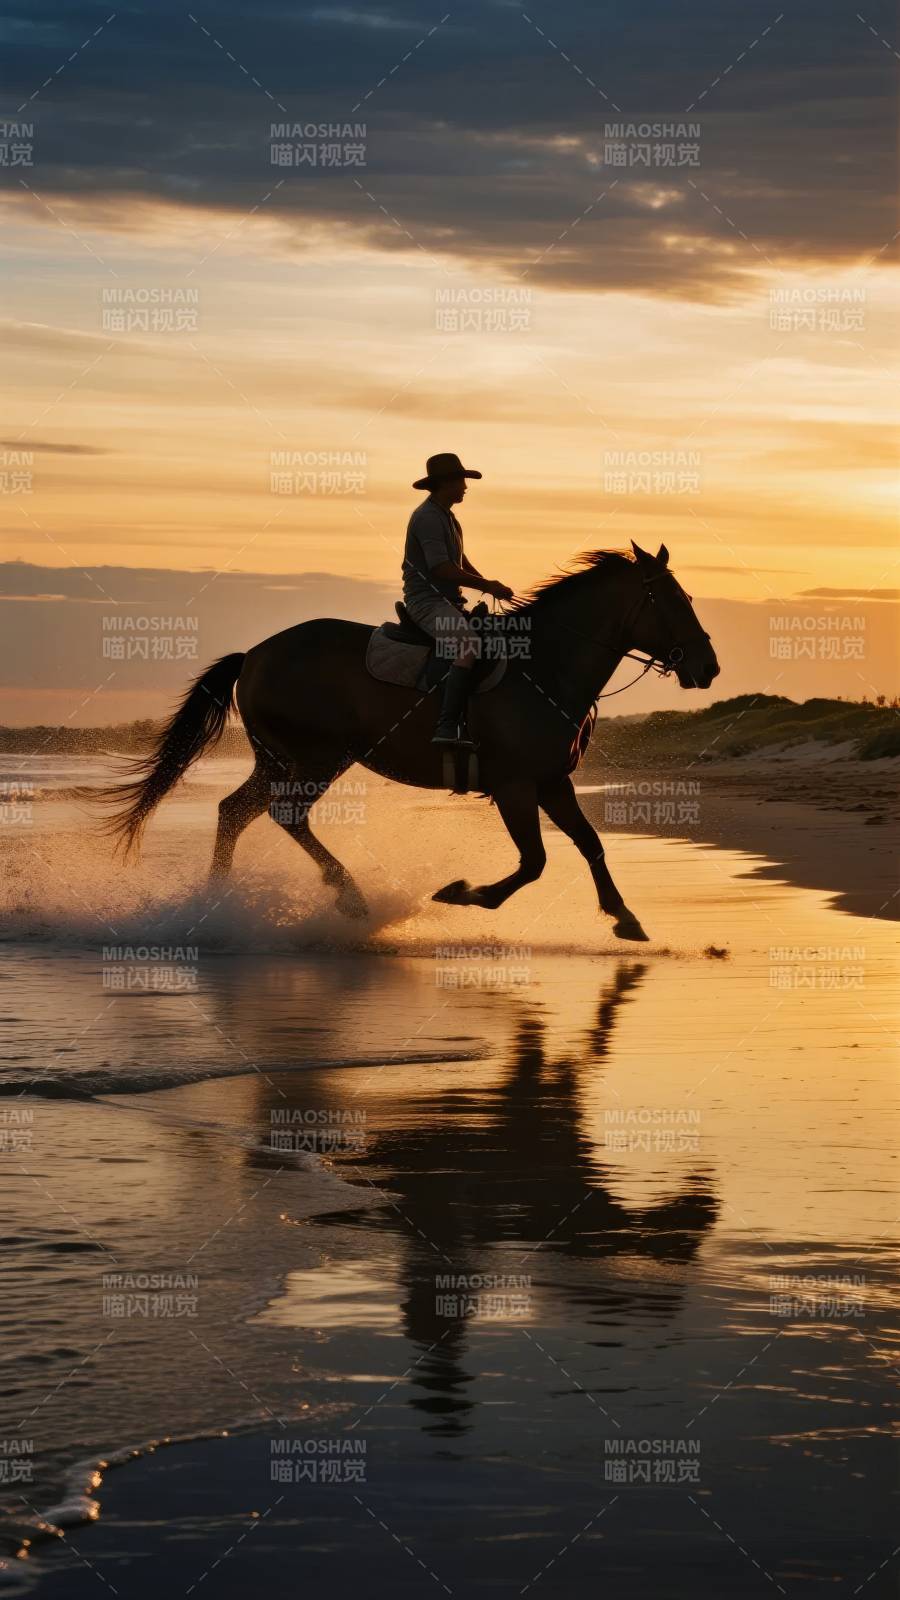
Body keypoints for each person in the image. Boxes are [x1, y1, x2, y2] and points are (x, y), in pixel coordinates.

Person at [403, 453, 513, 747]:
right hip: (426, 602)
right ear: (445, 483)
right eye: (462, 481)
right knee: (469, 645)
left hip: (449, 602)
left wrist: (488, 587)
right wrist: (487, 584)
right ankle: (447, 726)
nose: (466, 487)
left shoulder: (448, 517)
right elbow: (441, 568)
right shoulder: (426, 517)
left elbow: (459, 563)